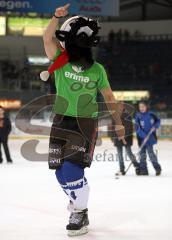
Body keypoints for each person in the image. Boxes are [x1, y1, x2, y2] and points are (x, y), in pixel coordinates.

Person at [42, 3, 125, 237]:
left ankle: (80, 211)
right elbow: (47, 39)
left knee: (70, 170)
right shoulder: (61, 60)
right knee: (60, 172)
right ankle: (79, 206)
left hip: (85, 122)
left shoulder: (97, 70)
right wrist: (55, 17)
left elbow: (109, 97)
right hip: (61, 120)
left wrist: (118, 122)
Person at [135, 101, 162, 176]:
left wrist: (155, 127)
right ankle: (144, 170)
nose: (142, 108)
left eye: (143, 106)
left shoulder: (151, 114)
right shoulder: (138, 116)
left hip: (150, 138)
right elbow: (137, 128)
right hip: (141, 139)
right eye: (140, 107)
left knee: (151, 154)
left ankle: (157, 168)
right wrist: (143, 135)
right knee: (142, 154)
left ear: (146, 106)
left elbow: (158, 121)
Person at [111, 107, 140, 176]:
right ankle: (121, 169)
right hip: (118, 138)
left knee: (129, 153)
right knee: (120, 154)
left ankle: (137, 166)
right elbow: (112, 127)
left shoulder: (127, 115)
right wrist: (113, 137)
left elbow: (129, 127)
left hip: (127, 138)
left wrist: (124, 136)